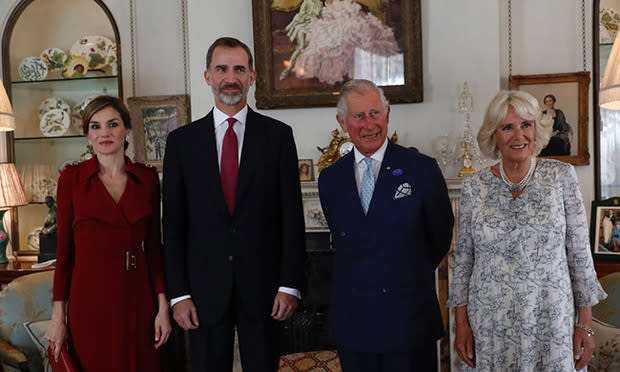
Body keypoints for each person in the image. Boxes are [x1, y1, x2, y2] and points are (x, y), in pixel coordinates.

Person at [163, 37, 305, 371]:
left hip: (266, 290)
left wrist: (289, 285)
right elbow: (173, 225)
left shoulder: (278, 137)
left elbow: (291, 218)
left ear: (252, 77)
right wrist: (179, 294)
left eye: (239, 69)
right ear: (207, 76)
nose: (231, 77)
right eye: (222, 69)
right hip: (202, 291)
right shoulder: (181, 143)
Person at [447, 90, 607, 371]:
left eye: (526, 125)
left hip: (551, 319)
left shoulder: (561, 177)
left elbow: (580, 255)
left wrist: (585, 324)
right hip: (490, 324)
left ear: (536, 129)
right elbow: (463, 263)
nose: (518, 135)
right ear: (494, 135)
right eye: (507, 127)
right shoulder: (475, 186)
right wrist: (461, 325)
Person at [318, 79, 454, 372]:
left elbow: (440, 235)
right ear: (342, 122)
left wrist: (404, 273)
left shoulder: (422, 169)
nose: (369, 124)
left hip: (409, 320)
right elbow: (345, 242)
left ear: (388, 114)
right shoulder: (330, 179)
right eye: (358, 116)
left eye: (375, 113)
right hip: (354, 324)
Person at [45, 95, 171, 371]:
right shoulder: (71, 180)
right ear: (88, 135)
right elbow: (64, 255)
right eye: (96, 126)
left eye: (113, 124)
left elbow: (153, 249)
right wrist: (58, 318)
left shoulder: (146, 179)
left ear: (126, 130)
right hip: (90, 298)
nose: (104, 133)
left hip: (137, 296)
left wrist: (163, 307)